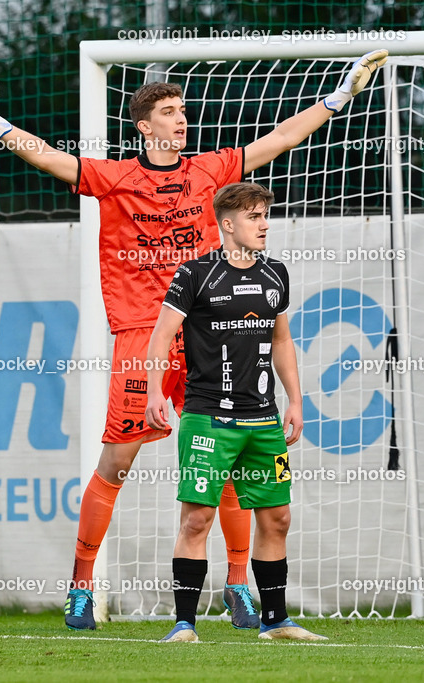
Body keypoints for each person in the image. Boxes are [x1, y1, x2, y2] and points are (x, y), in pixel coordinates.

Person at [0, 48, 388, 630]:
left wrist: (339, 96)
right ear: (144, 127)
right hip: (140, 337)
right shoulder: (116, 177)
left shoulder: (210, 170)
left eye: (183, 111)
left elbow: (279, 139)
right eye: (170, 113)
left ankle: (237, 584)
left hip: (207, 339)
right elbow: (50, 158)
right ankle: (82, 584)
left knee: (227, 462)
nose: (181, 120)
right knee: (117, 461)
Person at [147, 181, 321, 642]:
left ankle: (276, 621)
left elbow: (281, 339)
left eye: (265, 216)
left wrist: (295, 400)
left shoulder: (276, 273)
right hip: (209, 418)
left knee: (277, 518)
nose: (264, 225)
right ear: (227, 224)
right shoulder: (195, 274)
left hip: (263, 421)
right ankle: (185, 624)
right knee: (197, 519)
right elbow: (161, 336)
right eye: (253, 217)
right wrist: (154, 392)